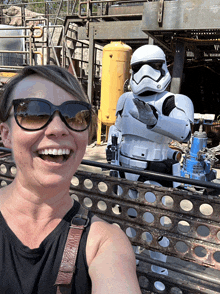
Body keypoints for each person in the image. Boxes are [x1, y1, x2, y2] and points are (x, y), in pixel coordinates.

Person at [0, 65, 141, 294]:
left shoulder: (104, 244)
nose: (58, 129)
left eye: (74, 115)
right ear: (6, 134)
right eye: (34, 113)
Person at [107, 44, 194, 290]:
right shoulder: (124, 99)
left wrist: (156, 121)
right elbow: (117, 128)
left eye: (153, 66)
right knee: (128, 221)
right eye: (138, 67)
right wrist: (112, 152)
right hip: (124, 168)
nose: (145, 72)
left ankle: (159, 274)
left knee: (156, 226)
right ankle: (129, 266)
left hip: (155, 169)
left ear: (163, 68)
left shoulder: (174, 100)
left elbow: (185, 131)